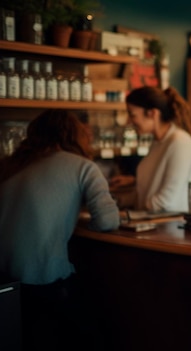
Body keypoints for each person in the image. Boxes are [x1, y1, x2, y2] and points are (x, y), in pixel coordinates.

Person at [0, 109, 120, 350]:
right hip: (44, 277)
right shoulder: (83, 167)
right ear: (75, 135)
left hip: (5, 280)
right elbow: (108, 221)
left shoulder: (10, 166)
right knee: (93, 338)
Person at [109, 86, 191, 212]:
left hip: (171, 229)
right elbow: (149, 192)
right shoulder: (158, 143)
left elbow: (166, 200)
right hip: (156, 226)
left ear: (153, 113)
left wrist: (133, 215)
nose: (128, 122)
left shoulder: (180, 143)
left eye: (132, 114)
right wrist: (118, 201)